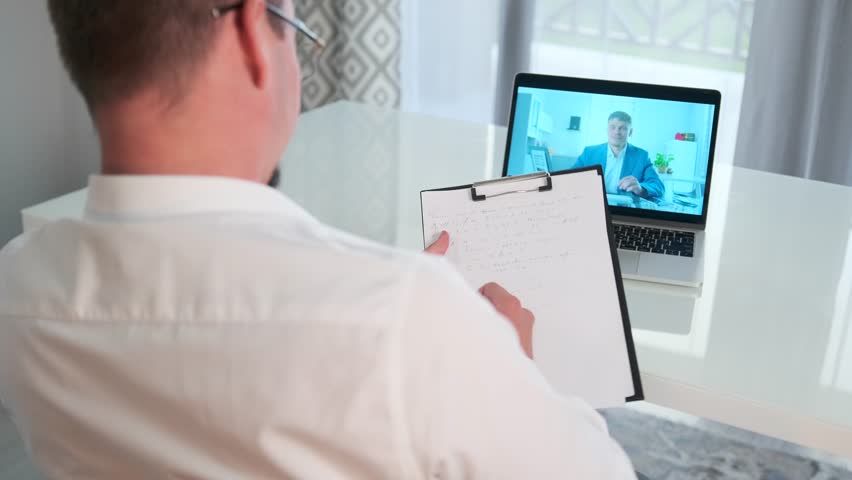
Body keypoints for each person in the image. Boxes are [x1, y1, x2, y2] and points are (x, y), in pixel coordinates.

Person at [0, 1, 637, 478]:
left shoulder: (18, 290)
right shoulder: (410, 323)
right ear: (254, 32)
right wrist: (509, 366)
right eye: (298, 35)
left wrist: (388, 304)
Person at [574, 111, 664, 199]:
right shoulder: (589, 152)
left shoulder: (641, 156)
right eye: (612, 127)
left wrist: (640, 188)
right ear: (607, 130)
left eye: (623, 128)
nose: (617, 132)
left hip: (624, 209)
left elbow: (658, 186)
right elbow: (570, 178)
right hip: (593, 201)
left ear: (630, 132)